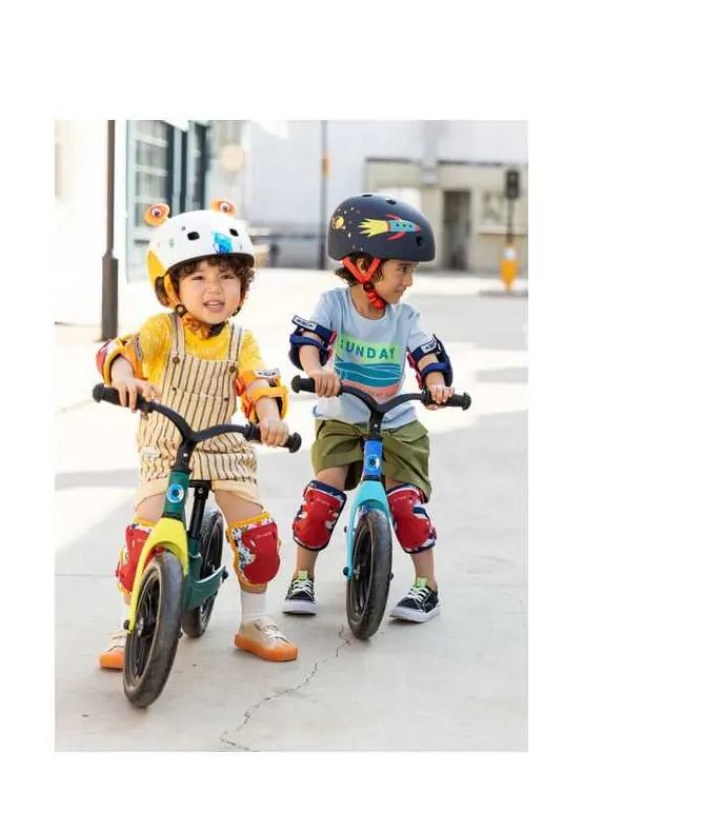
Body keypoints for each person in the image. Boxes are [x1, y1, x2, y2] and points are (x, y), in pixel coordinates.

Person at [95, 206, 298, 669]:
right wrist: (125, 378)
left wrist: (270, 418)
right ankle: (129, 622)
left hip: (222, 445)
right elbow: (123, 352)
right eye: (198, 277)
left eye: (227, 276)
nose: (214, 288)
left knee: (257, 533)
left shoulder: (241, 341)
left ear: (243, 286)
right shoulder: (162, 330)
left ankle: (253, 621)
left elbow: (258, 383)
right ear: (173, 288)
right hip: (166, 445)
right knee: (145, 529)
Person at [283, 193, 455, 623]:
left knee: (405, 503)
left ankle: (427, 586)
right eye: (403, 269)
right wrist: (316, 369)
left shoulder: (405, 317)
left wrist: (435, 385)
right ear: (364, 265)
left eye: (412, 271)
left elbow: (426, 355)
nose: (408, 281)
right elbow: (309, 341)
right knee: (322, 499)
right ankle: (302, 576)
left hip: (395, 421)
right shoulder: (334, 305)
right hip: (343, 418)